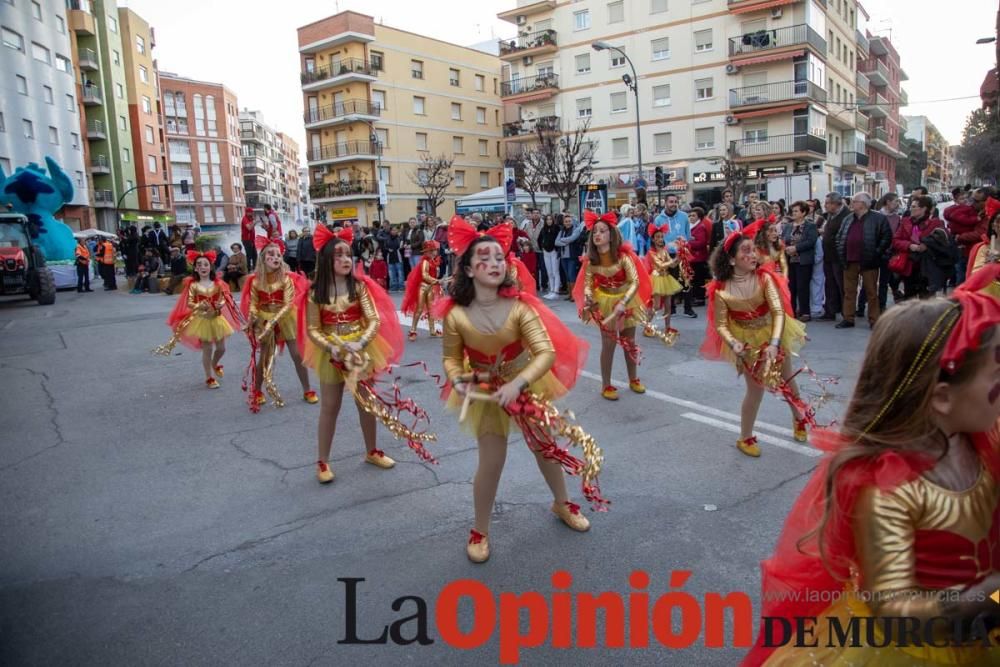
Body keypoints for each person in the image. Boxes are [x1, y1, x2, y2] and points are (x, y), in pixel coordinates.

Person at [743, 291, 1000, 666]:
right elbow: (894, 608)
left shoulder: (980, 443)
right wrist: (983, 599)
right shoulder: (890, 488)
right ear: (942, 398)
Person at [438, 217, 597, 563]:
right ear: (467, 268)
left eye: (499, 257)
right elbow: (451, 359)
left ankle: (561, 502)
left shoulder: (520, 307)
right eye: (485, 257)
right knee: (492, 461)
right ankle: (480, 528)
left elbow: (546, 352)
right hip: (486, 390)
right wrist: (458, 379)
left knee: (545, 447)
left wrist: (517, 384)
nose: (495, 263)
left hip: (525, 383)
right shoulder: (456, 316)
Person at [299, 225, 408, 484]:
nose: (346, 260)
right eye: (338, 255)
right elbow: (313, 329)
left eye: (348, 254)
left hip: (361, 350)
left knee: (366, 403)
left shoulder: (359, 288)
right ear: (326, 260)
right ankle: (323, 461)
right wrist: (331, 347)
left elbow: (373, 320)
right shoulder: (316, 293)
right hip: (332, 352)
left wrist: (360, 342)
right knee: (330, 407)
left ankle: (372, 451)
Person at [700, 223, 809, 456]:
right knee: (755, 390)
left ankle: (799, 418)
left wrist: (774, 343)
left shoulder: (764, 279)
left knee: (787, 379)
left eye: (753, 250)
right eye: (745, 251)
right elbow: (720, 324)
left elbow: (779, 311)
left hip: (773, 333)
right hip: (745, 340)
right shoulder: (720, 290)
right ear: (731, 260)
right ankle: (745, 437)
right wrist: (733, 343)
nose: (752, 255)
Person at [573, 211, 652, 401]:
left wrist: (624, 303)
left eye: (603, 231)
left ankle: (633, 379)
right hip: (605, 304)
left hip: (626, 301)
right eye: (595, 232)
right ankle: (606, 384)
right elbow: (587, 285)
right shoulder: (591, 261)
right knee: (608, 345)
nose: (598, 234)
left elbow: (635, 282)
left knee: (629, 342)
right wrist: (589, 299)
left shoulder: (624, 257)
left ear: (611, 234)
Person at [241, 237, 316, 409]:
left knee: (297, 355)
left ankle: (307, 389)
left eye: (278, 255)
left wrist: (273, 322)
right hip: (264, 318)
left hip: (285, 318)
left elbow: (289, 303)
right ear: (263, 259)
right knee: (265, 359)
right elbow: (253, 302)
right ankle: (258, 390)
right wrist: (252, 317)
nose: (276, 258)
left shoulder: (286, 279)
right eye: (271, 255)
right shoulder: (255, 280)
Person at [160, 251, 239, 388]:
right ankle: (209, 377)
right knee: (207, 348)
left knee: (221, 348)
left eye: (206, 264)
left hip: (217, 318)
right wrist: (199, 305)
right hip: (202, 319)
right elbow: (189, 302)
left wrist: (220, 304)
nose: (203, 267)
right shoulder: (193, 285)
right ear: (195, 268)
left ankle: (214, 364)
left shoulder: (218, 283)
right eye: (199, 265)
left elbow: (222, 299)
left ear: (210, 267)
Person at [834, 193, 892, 329]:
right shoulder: (848, 219)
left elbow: (886, 237)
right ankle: (848, 318)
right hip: (849, 260)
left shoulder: (878, 218)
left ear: (863, 204)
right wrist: (841, 251)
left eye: (854, 201)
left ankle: (874, 320)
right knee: (849, 291)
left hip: (869, 260)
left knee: (871, 292)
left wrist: (876, 253)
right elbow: (839, 237)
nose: (851, 204)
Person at [890, 194, 947, 301]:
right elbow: (895, 240)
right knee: (909, 298)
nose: (910, 209)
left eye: (914, 207)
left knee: (927, 299)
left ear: (924, 209)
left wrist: (927, 246)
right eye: (911, 206)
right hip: (909, 264)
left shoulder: (936, 223)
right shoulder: (905, 221)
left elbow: (942, 244)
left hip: (928, 266)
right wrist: (909, 245)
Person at [643, 222, 683, 338]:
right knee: (655, 306)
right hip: (657, 279)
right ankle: (647, 325)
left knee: (668, 305)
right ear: (653, 239)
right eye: (657, 237)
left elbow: (671, 266)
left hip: (666, 279)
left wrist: (680, 257)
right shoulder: (651, 253)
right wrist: (674, 259)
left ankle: (667, 327)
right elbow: (661, 265)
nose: (660, 239)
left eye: (661, 237)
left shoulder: (665, 251)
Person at [782, 201, 819, 321]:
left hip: (803, 260)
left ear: (803, 212)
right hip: (790, 260)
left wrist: (796, 248)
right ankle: (791, 311)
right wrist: (786, 248)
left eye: (796, 211)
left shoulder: (810, 226)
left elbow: (811, 241)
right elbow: (783, 239)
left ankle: (805, 312)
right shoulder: (788, 226)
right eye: (792, 211)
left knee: (802, 287)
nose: (793, 213)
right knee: (791, 286)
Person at [401, 239, 443, 341]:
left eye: (436, 250)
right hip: (423, 287)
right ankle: (413, 330)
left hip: (430, 288)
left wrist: (437, 281)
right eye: (434, 250)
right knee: (419, 309)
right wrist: (437, 281)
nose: (436, 251)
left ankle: (432, 330)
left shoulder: (433, 261)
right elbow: (424, 275)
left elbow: (433, 275)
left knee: (431, 309)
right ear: (429, 251)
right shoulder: (425, 261)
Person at [818, 193, 850, 321]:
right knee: (830, 284)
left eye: (827, 203)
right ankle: (830, 311)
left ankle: (846, 313)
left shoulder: (846, 216)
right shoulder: (830, 216)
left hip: (839, 257)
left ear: (835, 204)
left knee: (842, 285)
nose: (825, 206)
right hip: (829, 256)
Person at [554, 213, 584, 301]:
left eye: (569, 221)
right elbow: (556, 242)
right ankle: (570, 294)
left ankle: (574, 296)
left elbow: (572, 238)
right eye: (566, 221)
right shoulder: (561, 231)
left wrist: (562, 240)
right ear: (563, 222)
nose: (568, 223)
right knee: (567, 276)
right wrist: (566, 241)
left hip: (572, 256)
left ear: (572, 221)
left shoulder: (576, 229)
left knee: (572, 275)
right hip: (563, 256)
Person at [539, 213, 562, 299]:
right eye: (547, 219)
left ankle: (556, 291)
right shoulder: (543, 229)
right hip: (546, 252)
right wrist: (542, 247)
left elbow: (559, 239)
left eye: (550, 219)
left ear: (553, 220)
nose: (549, 221)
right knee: (549, 272)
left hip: (554, 252)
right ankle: (551, 290)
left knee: (555, 271)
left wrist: (556, 248)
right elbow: (539, 239)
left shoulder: (557, 228)